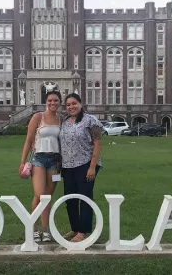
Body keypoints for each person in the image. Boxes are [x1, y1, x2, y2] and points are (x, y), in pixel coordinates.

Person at [19, 91, 62, 242]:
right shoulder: (38, 117)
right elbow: (28, 140)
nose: (52, 103)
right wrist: (23, 161)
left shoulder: (60, 119)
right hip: (39, 159)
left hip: (55, 160)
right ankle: (34, 228)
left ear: (59, 102)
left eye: (56, 101)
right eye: (50, 100)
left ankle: (45, 230)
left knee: (48, 197)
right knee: (39, 194)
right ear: (46, 102)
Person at [59, 93, 103, 242]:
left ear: (80, 103)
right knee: (70, 199)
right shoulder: (65, 122)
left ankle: (83, 231)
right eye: (68, 105)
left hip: (85, 164)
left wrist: (92, 167)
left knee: (84, 198)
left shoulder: (90, 120)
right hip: (68, 166)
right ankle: (75, 228)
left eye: (74, 103)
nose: (71, 107)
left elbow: (97, 143)